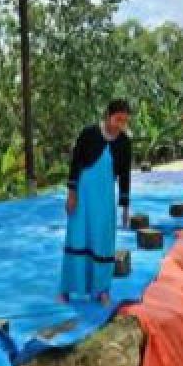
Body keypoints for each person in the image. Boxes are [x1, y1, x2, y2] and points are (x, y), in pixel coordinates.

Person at [60, 98, 132, 306]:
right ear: (108, 116)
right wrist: (71, 193)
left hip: (104, 198)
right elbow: (75, 163)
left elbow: (125, 175)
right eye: (117, 119)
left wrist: (125, 207)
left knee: (103, 239)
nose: (120, 125)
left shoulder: (125, 143)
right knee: (77, 236)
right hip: (83, 194)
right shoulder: (88, 134)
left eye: (124, 121)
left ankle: (102, 290)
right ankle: (68, 288)